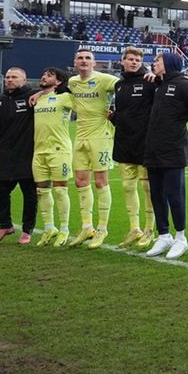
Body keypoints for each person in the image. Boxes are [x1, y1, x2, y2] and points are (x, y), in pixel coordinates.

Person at [143, 52, 188, 259]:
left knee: (175, 194)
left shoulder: (183, 85)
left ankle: (181, 238)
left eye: (158, 61)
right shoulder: (159, 84)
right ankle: (163, 235)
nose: (154, 64)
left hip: (174, 149)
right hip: (153, 148)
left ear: (170, 64)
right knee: (155, 193)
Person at [65, 48, 118, 249]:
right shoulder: (72, 82)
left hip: (100, 137)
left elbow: (125, 87)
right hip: (80, 136)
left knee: (101, 182)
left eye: (88, 58)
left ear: (94, 63)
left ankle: (102, 228)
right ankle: (87, 227)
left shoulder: (105, 79)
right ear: (75, 62)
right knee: (80, 181)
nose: (84, 61)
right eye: (80, 58)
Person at [111, 48, 156, 249]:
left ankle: (149, 229)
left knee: (147, 188)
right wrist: (114, 118)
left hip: (145, 143)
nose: (134, 62)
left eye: (138, 59)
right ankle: (134, 228)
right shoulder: (119, 85)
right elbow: (124, 112)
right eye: (130, 59)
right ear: (123, 61)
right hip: (124, 141)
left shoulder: (150, 81)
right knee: (128, 187)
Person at [0, 68, 37, 244]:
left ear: (24, 80)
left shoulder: (33, 97)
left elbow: (58, 89)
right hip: (4, 155)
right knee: (0, 191)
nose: (9, 80)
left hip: (27, 155)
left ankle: (27, 230)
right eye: (7, 77)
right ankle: (5, 226)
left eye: (14, 77)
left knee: (29, 194)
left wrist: (40, 95)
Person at [32, 68, 76, 247]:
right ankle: (49, 227)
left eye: (49, 75)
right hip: (39, 151)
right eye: (43, 74)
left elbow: (83, 99)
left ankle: (64, 229)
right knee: (41, 190)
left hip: (59, 150)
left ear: (58, 82)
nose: (44, 76)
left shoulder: (65, 98)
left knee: (60, 190)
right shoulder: (37, 99)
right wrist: (38, 93)